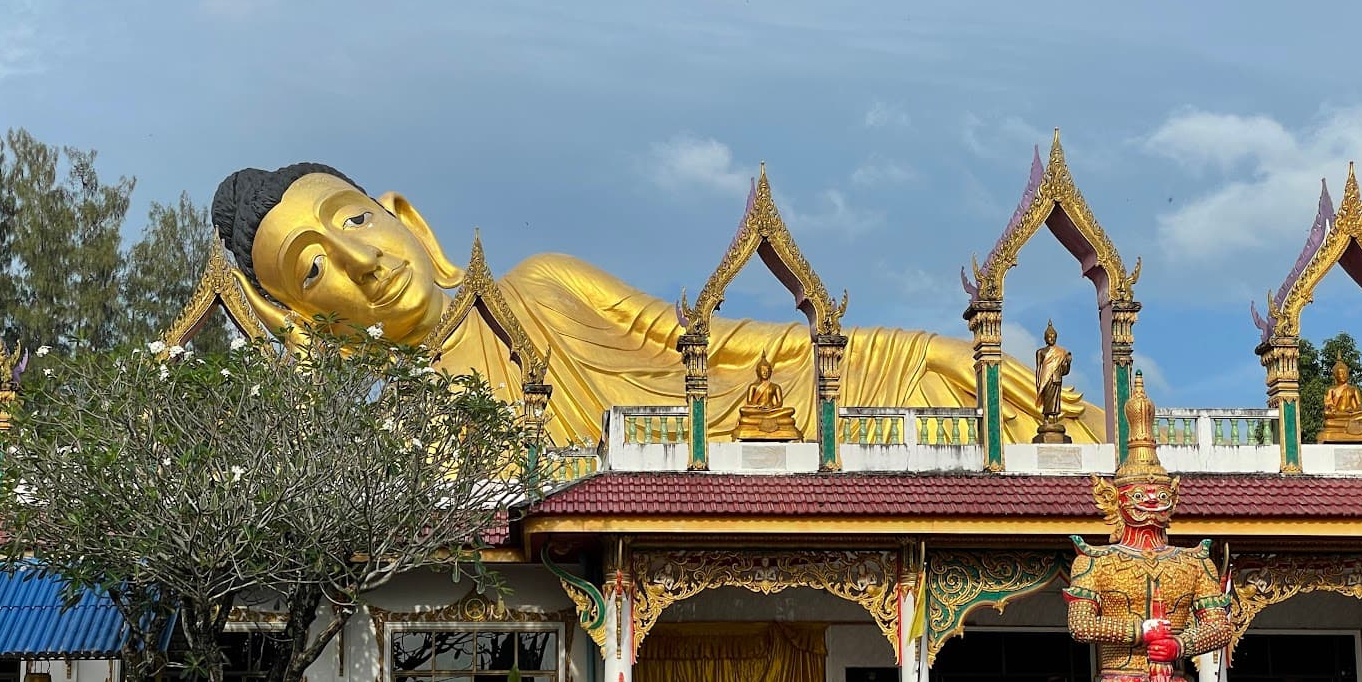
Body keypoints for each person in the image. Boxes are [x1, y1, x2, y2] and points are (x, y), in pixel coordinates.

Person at [211, 162, 1104, 447]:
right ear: (312, 328)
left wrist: (889, 354)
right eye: (316, 270)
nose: (364, 262)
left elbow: (711, 345)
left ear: (408, 219)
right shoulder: (411, 430)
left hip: (743, 428)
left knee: (943, 389)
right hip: (632, 500)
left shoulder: (543, 283)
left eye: (355, 220)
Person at [1065, 373, 1233, 682]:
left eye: (1159, 494)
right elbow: (1080, 625)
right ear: (1118, 499)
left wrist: (1180, 641)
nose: (1151, 502)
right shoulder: (1096, 561)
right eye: (1140, 494)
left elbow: (1220, 625)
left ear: (1173, 498)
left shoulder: (1192, 562)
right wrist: (1140, 629)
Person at [735, 352, 802, 440]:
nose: (765, 373)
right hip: (758, 411)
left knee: (791, 410)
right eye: (763, 370)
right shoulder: (753, 386)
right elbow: (749, 402)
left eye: (767, 371)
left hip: (772, 410)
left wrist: (773, 408)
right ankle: (770, 418)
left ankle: (766, 418)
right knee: (742, 410)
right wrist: (758, 406)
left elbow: (780, 402)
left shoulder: (775, 386)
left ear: (770, 372)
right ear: (758, 372)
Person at [1319, 358, 1362, 441]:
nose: (1344, 375)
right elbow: (1328, 403)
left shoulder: (1353, 389)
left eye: (1345, 373)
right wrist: (1332, 407)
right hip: (1338, 414)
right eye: (1341, 373)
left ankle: (1350, 422)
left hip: (1352, 414)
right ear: (1336, 376)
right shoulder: (1331, 389)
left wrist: (1354, 410)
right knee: (1328, 419)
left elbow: (1360, 405)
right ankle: (1353, 422)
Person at [1033, 321, 1071, 428]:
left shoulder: (1061, 352)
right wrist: (1038, 382)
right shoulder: (1041, 352)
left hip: (1056, 379)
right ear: (1045, 338)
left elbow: (1064, 371)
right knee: (1047, 399)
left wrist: (1068, 362)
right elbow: (1038, 369)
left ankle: (1055, 419)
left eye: (1053, 336)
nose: (1051, 338)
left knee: (1055, 400)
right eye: (1049, 336)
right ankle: (1045, 418)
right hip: (1046, 379)